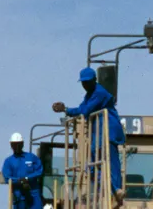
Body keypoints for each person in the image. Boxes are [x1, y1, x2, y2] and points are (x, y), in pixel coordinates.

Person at [53, 67, 124, 199]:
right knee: (92, 164)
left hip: (108, 129)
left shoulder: (99, 93)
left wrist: (66, 109)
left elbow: (85, 110)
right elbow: (82, 108)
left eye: (88, 82)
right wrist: (66, 110)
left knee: (111, 160)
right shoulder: (89, 95)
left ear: (95, 80)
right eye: (83, 82)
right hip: (98, 132)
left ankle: (116, 190)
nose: (85, 85)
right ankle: (105, 191)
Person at [2, 132, 49, 209]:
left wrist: (28, 178)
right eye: (14, 144)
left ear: (22, 144)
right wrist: (19, 181)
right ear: (11, 145)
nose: (16, 146)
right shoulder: (9, 161)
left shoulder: (31, 158)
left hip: (33, 193)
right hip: (19, 194)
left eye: (18, 144)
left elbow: (39, 170)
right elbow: (7, 177)